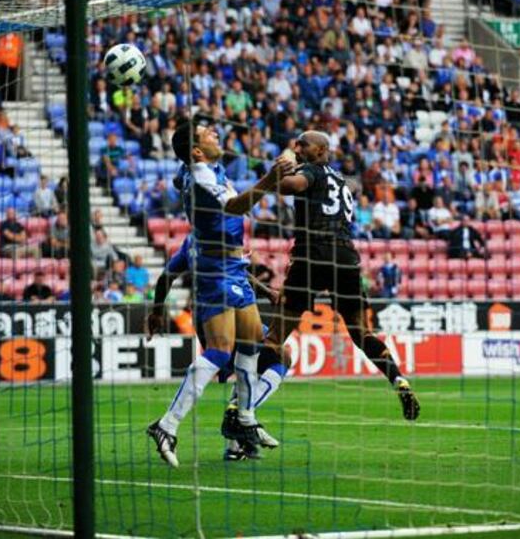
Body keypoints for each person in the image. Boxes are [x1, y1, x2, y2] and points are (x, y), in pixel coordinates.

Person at [146, 117, 294, 467]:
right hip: (216, 273)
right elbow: (236, 206)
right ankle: (167, 425)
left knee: (253, 343)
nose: (215, 131)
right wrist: (271, 180)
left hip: (234, 270)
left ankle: (244, 419)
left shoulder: (201, 172)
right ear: (196, 150)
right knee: (222, 351)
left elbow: (184, 180)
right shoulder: (201, 174)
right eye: (206, 132)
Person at [270, 130, 420, 422]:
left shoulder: (311, 171)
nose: (298, 146)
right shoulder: (341, 180)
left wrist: (280, 167)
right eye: (296, 143)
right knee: (361, 333)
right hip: (347, 260)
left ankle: (239, 411)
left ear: (321, 149)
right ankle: (399, 379)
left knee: (275, 337)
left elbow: (289, 185)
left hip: (312, 255)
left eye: (304, 144)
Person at [146, 235, 287, 461]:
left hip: (236, 303)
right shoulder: (210, 235)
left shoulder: (209, 236)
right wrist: (156, 311)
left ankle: (236, 433)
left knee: (281, 355)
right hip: (217, 311)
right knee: (226, 354)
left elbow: (237, 271)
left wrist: (266, 291)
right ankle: (178, 423)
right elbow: (167, 277)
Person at [0, 32, 23, 102]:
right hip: (3, 64)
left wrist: (19, 62)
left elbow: (19, 51)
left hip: (12, 65)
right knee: (2, 82)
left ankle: (11, 98)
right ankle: (2, 98)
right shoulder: (2, 39)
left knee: (11, 82)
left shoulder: (17, 39)